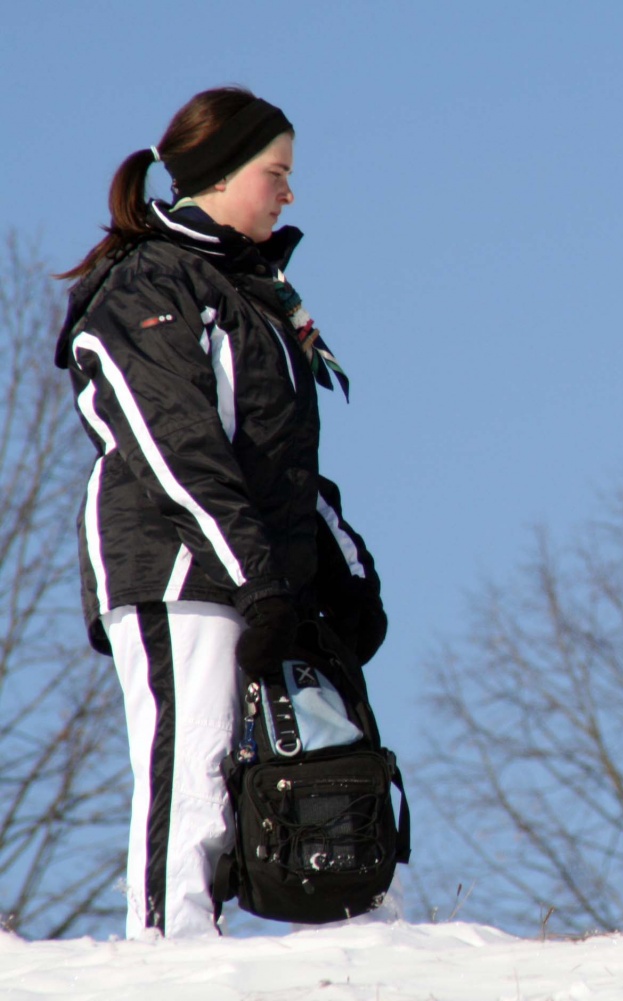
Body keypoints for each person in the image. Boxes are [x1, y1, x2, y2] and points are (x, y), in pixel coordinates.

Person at [54, 87, 386, 938]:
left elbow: (280, 460)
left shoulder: (255, 296)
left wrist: (337, 567)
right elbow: (177, 448)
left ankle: (253, 954)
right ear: (218, 173)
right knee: (192, 770)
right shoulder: (147, 284)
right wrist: (256, 579)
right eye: (275, 173)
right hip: (180, 568)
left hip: (246, 569)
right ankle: (169, 956)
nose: (288, 193)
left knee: (280, 777)